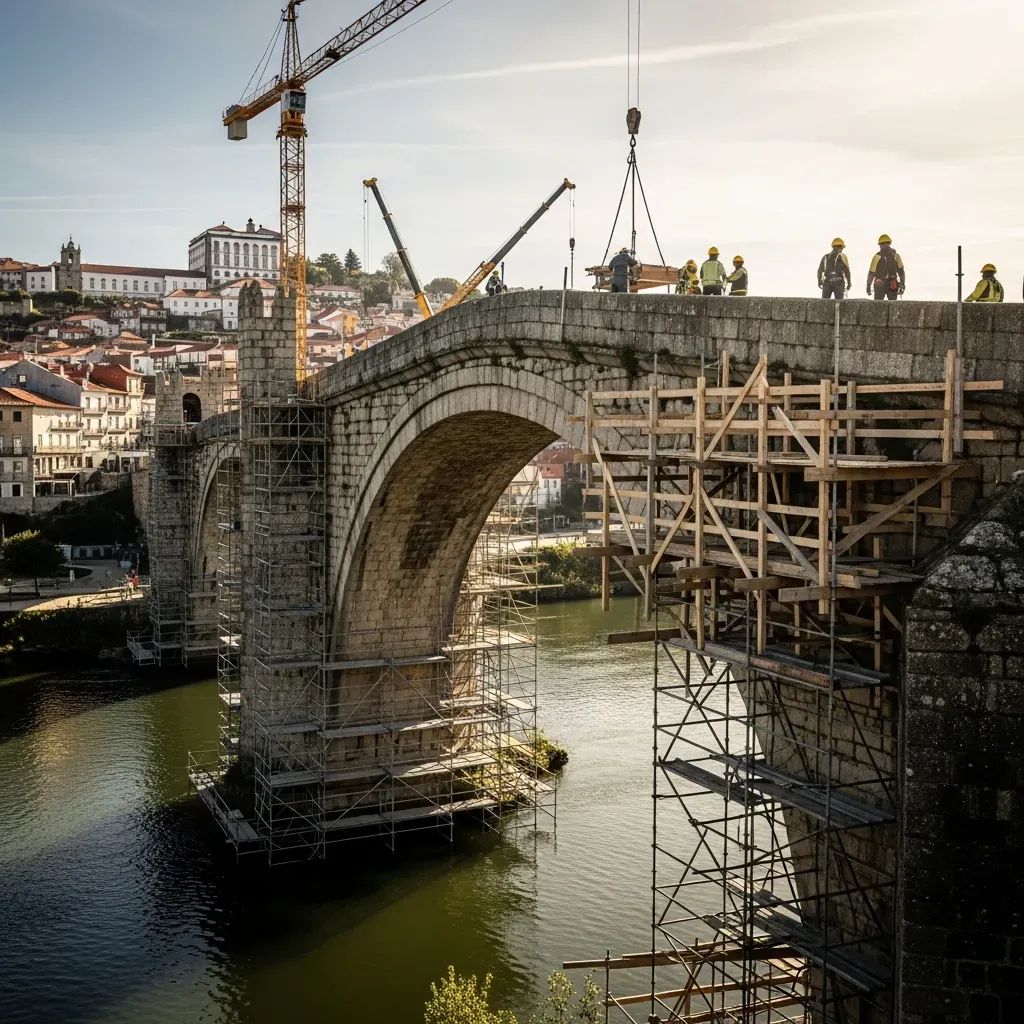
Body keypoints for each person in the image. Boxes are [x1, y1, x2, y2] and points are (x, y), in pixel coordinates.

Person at [866, 234, 905, 300]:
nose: (884, 245)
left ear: (879, 245)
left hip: (880, 283)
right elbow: (901, 272)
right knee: (893, 304)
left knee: (878, 304)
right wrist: (902, 284)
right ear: (890, 243)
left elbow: (871, 273)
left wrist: (868, 286)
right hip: (892, 284)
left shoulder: (877, 257)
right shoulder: (896, 256)